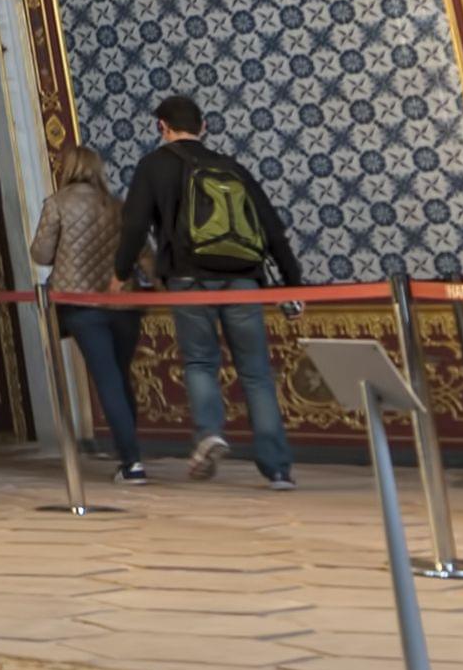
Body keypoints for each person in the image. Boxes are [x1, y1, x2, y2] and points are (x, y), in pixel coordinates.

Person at [121, 92, 300, 485]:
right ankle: (278, 468)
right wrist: (293, 282)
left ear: (161, 127)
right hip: (243, 278)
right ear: (203, 127)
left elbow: (134, 226)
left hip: (190, 278)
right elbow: (271, 228)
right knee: (256, 372)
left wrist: (122, 273)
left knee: (201, 362)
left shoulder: (153, 166)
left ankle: (209, 433)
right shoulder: (231, 167)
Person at [30, 139, 149, 480]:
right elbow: (143, 251)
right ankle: (130, 455)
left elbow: (40, 254)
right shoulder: (118, 205)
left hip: (81, 304)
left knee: (107, 378)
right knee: (120, 376)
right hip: (123, 302)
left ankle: (131, 461)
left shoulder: (57, 204)